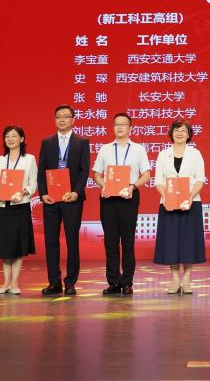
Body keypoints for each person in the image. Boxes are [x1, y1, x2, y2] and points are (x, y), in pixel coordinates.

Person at [92, 113, 150, 296]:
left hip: (128, 197)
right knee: (110, 242)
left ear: (130, 128)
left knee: (127, 241)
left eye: (123, 124)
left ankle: (127, 282)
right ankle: (113, 282)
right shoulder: (105, 149)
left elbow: (146, 174)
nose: (119, 127)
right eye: (116, 124)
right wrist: (104, 185)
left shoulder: (139, 149)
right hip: (108, 198)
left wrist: (133, 186)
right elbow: (96, 174)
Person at [37, 105, 90, 296]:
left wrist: (76, 192)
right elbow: (41, 170)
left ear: (73, 120)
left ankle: (70, 282)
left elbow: (84, 170)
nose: (62, 120)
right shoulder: (47, 142)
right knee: (51, 241)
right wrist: (43, 194)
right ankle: (54, 282)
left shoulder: (82, 142)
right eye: (58, 116)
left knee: (72, 241)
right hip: (51, 199)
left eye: (66, 116)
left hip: (72, 198)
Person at [153, 120, 206, 294]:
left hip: (191, 202)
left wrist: (189, 197)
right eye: (177, 130)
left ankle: (187, 279)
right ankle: (175, 279)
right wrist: (166, 197)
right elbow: (158, 181)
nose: (180, 133)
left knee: (189, 242)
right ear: (171, 133)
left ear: (189, 134)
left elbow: (200, 179)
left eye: (183, 130)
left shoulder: (195, 154)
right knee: (171, 242)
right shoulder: (163, 154)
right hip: (168, 203)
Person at [0, 125, 38, 295]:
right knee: (5, 247)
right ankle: (5, 283)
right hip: (3, 207)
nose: (10, 139)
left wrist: (24, 192)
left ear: (21, 139)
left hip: (20, 206)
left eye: (14, 136)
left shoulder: (29, 159)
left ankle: (15, 283)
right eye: (7, 136)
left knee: (17, 246)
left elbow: (33, 182)